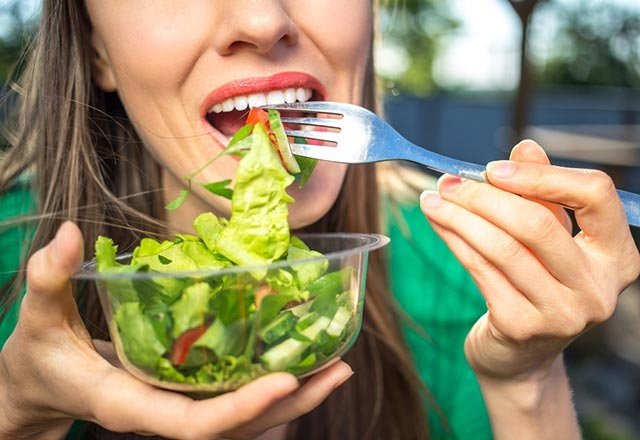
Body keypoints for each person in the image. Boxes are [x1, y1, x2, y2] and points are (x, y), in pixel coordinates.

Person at [0, 1, 638, 439]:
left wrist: (526, 376)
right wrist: (16, 414)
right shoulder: (12, 264)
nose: (262, 19)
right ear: (97, 47)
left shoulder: (461, 266)